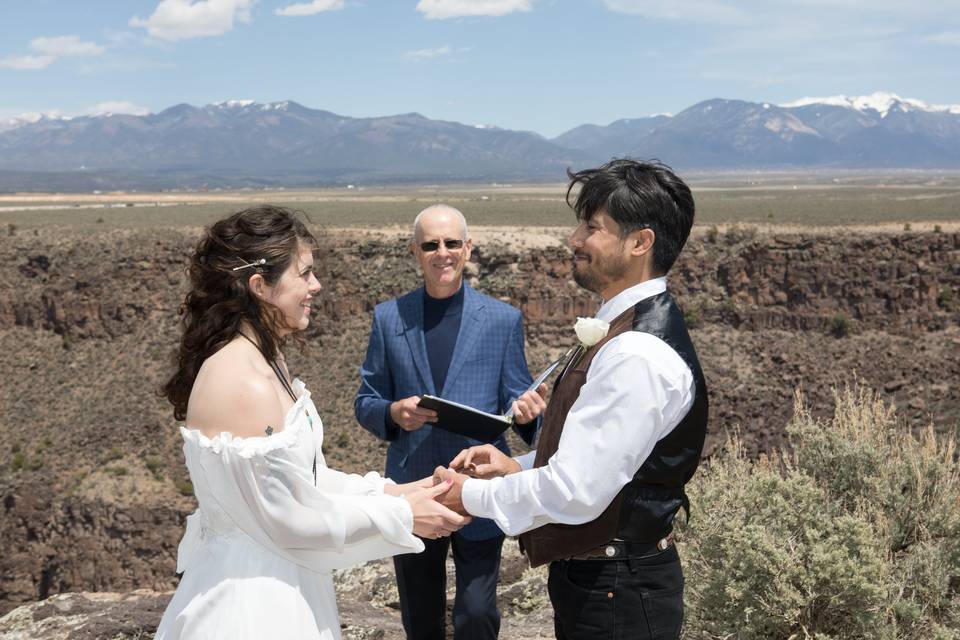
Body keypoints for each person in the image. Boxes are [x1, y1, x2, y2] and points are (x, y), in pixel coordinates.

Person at [154, 205, 467, 640]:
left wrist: (400, 490)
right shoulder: (246, 380)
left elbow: (302, 481)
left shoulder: (265, 360)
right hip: (253, 607)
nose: (316, 286)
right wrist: (400, 514)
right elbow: (289, 522)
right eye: (304, 274)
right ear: (260, 286)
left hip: (283, 581)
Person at [436, 159, 709, 640]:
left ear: (640, 242)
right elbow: (601, 457)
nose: (575, 239)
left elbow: (577, 492)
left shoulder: (636, 353)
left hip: (618, 592)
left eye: (592, 227)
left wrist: (471, 496)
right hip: (607, 583)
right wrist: (517, 466)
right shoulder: (628, 331)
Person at [354, 204, 546, 640]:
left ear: (468, 248)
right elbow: (366, 400)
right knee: (420, 618)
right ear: (415, 252)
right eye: (430, 245)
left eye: (451, 243)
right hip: (415, 487)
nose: (442, 252)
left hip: (479, 486)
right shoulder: (389, 318)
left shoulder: (502, 320)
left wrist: (531, 418)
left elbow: (517, 401)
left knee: (476, 615)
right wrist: (392, 413)